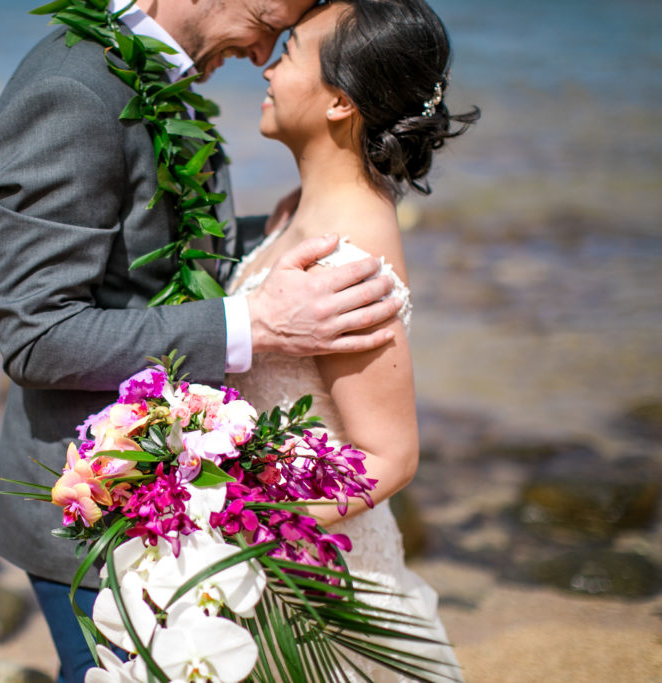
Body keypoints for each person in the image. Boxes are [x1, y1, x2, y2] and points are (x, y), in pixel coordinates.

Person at [0, 1, 408, 680]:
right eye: (276, 22)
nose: (264, 54)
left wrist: (279, 236)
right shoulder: (72, 91)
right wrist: (256, 323)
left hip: (175, 513)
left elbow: (146, 250)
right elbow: (37, 334)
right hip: (102, 514)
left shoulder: (153, 71)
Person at [226, 0, 479, 680]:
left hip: (317, 583)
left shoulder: (348, 262)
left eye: (288, 54)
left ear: (339, 101)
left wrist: (242, 515)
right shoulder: (299, 207)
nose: (267, 69)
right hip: (277, 567)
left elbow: (390, 456)